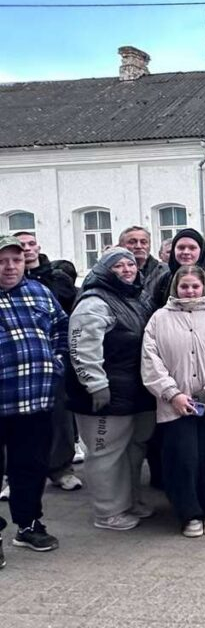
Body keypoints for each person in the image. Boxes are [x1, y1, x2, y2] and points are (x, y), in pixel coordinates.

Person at [141, 265, 205, 538]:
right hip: (175, 404)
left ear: (204, 287)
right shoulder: (159, 319)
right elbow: (151, 360)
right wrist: (173, 393)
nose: (190, 291)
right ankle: (189, 513)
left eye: (195, 286)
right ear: (175, 288)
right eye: (185, 286)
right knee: (183, 459)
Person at [67, 247, 155, 531]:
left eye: (131, 264)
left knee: (132, 450)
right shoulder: (94, 302)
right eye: (118, 266)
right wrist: (95, 385)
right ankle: (108, 512)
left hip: (134, 392)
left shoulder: (134, 297)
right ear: (105, 270)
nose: (127, 270)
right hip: (105, 394)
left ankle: (129, 501)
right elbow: (82, 347)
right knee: (105, 454)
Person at [0, 235, 66, 562]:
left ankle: (28, 525)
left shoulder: (39, 292)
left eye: (16, 259)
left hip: (36, 400)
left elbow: (61, 330)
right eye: (2, 260)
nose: (10, 266)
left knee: (31, 466)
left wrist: (58, 363)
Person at [14, 232, 81, 493]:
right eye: (22, 246)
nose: (27, 250)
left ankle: (61, 468)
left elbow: (64, 317)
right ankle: (13, 475)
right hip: (14, 365)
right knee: (15, 423)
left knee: (59, 418)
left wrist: (61, 353)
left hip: (50, 362)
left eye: (31, 245)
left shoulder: (54, 279)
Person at [152, 230, 205, 313]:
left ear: (201, 251)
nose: (186, 252)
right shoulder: (164, 280)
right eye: (181, 247)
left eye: (192, 248)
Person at [118, 226, 165, 298]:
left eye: (143, 242)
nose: (138, 246)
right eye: (132, 242)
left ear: (149, 246)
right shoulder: (113, 272)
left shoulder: (166, 272)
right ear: (121, 246)